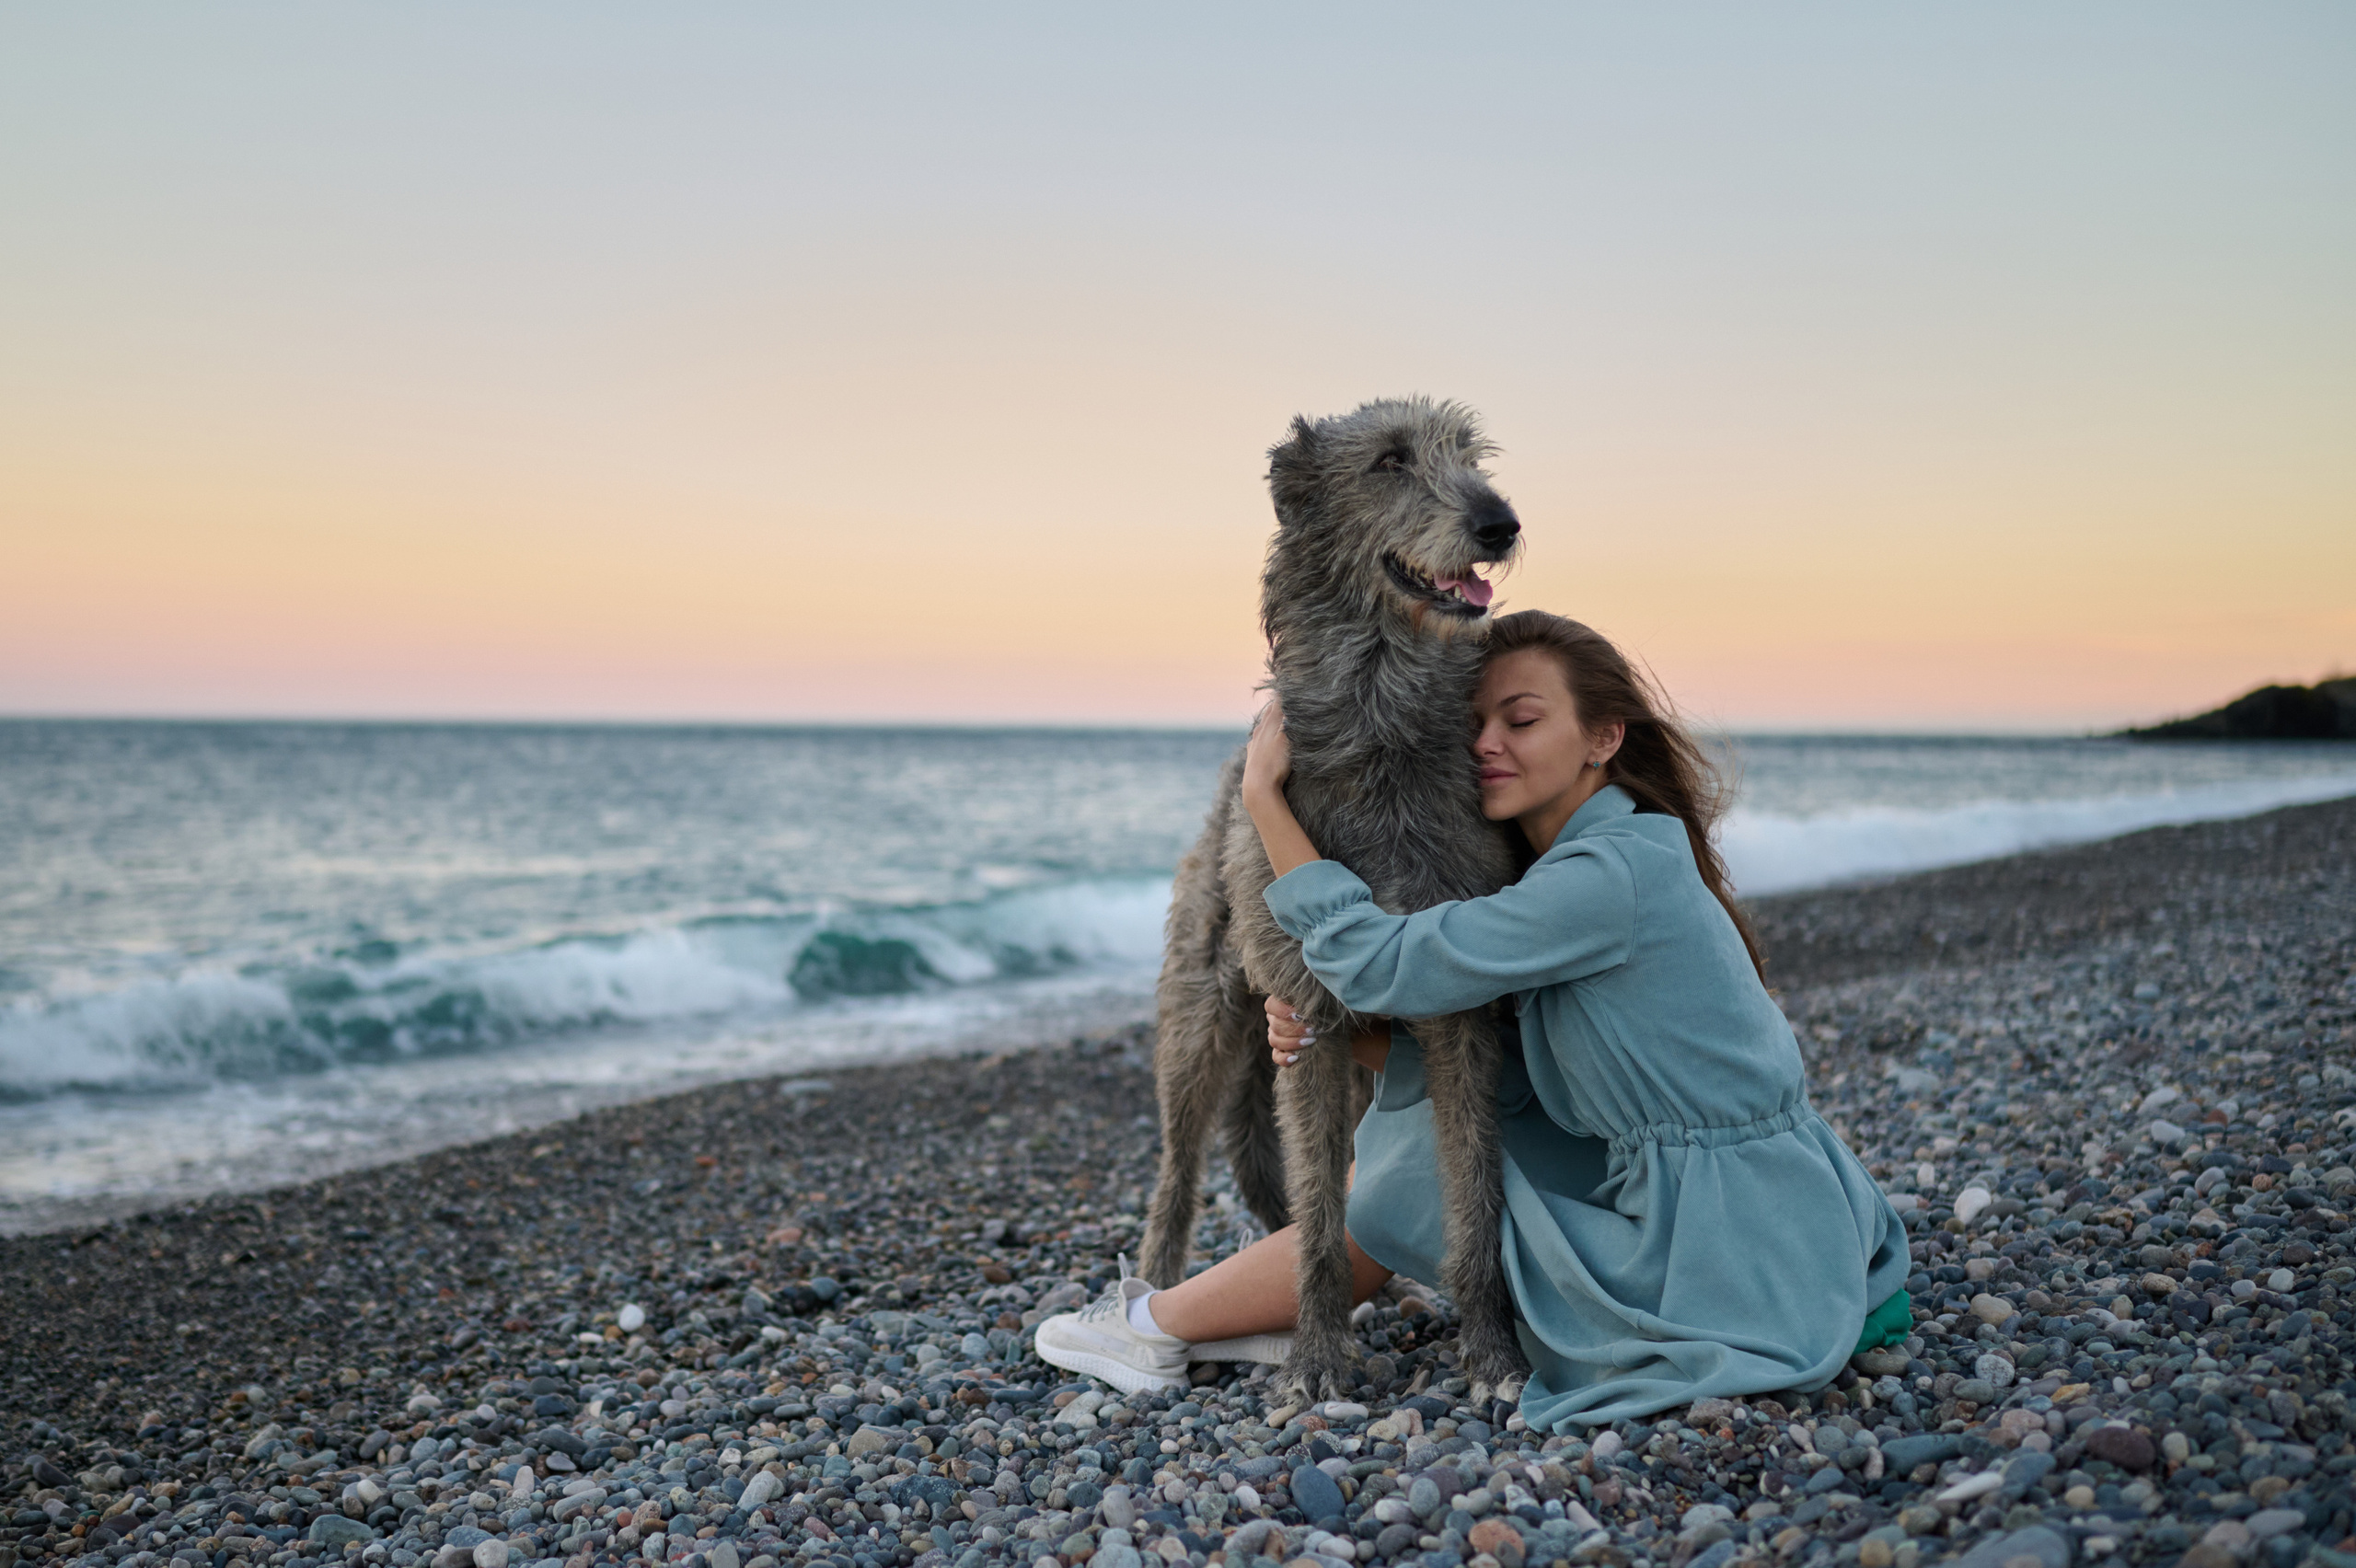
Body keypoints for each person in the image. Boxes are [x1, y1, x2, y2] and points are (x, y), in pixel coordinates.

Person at [1036, 611, 1910, 1427]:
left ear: (1604, 738)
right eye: (1475, 724)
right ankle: (1244, 1312)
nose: (1487, 746)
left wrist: (1267, 801)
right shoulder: (1613, 854)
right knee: (1432, 1124)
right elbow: (1523, 1062)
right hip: (1781, 1213)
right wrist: (1338, 1034)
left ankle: (1151, 1326)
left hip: (1730, 1254)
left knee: (1413, 1171)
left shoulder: (1603, 878)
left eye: (1522, 722)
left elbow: (1380, 959)